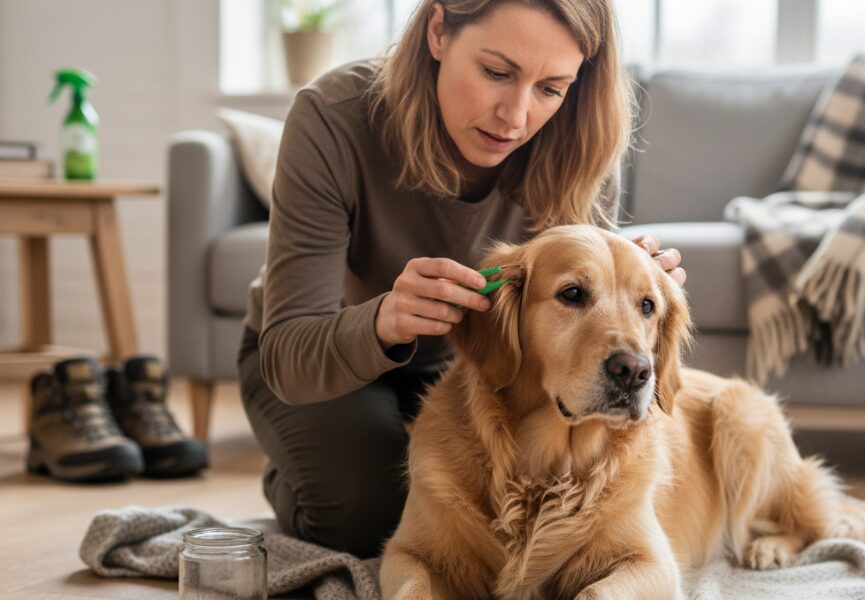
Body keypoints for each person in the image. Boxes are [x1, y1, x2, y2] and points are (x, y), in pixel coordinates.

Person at [238, 0, 686, 559]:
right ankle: (301, 472)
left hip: (474, 368)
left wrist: (635, 286)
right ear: (438, 30)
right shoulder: (332, 117)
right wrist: (384, 321)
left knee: (511, 517)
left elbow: (577, 316)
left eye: (551, 88)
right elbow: (287, 355)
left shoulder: (580, 139)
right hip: (320, 364)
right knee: (370, 516)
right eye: (496, 72)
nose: (515, 116)